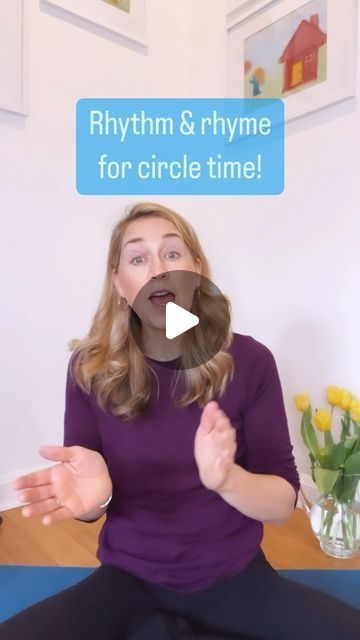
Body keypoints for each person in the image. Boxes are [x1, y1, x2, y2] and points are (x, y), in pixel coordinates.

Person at [2, 202, 360, 640]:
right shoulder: (88, 368)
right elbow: (88, 499)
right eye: (138, 258)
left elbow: (283, 502)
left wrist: (228, 479)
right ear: (119, 284)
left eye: (171, 254)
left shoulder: (250, 360)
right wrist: (95, 500)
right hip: (127, 580)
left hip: (234, 580)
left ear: (196, 268)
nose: (158, 269)